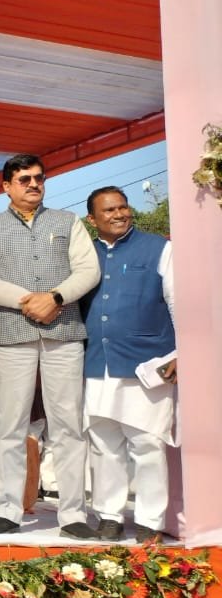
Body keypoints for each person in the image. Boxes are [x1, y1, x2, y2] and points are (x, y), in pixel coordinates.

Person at [0, 155, 100, 538]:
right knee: (11, 426)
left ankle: (73, 515)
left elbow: (89, 270)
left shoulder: (67, 221)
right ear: (6, 187)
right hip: (13, 333)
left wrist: (56, 297)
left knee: (68, 426)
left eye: (39, 178)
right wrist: (31, 300)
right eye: (24, 179)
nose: (33, 184)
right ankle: (8, 511)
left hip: (64, 332)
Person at [82, 186, 177, 543]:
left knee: (148, 444)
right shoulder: (85, 254)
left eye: (123, 207)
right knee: (104, 443)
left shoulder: (159, 248)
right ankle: (109, 516)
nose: (119, 214)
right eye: (109, 210)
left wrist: (180, 354)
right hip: (97, 363)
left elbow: (177, 300)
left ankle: (151, 521)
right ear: (92, 219)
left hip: (147, 363)